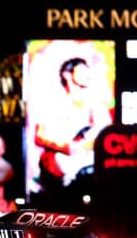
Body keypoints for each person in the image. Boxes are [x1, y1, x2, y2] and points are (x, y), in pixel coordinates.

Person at [34, 57, 113, 190]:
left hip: (89, 163)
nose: (87, 74)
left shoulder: (96, 103)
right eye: (82, 70)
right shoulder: (54, 103)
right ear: (67, 74)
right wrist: (67, 147)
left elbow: (105, 132)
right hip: (60, 165)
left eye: (88, 70)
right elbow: (40, 136)